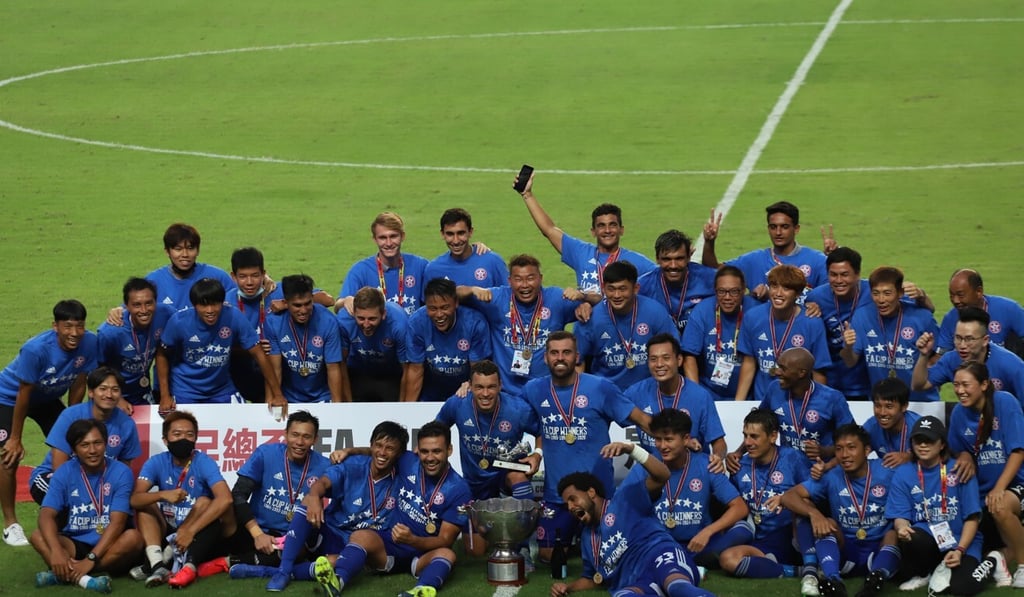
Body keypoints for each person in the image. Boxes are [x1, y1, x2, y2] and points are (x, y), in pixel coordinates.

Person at [520, 331, 652, 563]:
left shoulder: (601, 387)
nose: (560, 358)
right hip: (557, 496)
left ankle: (584, 539)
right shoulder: (533, 390)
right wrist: (468, 388)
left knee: (612, 556)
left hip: (597, 496)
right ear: (545, 358)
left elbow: (641, 419)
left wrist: (679, 438)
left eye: (566, 352)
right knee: (548, 556)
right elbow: (509, 410)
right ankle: (577, 540)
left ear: (577, 356)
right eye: (554, 353)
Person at [234, 421, 408, 591]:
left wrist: (350, 450)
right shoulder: (353, 465)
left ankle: (269, 571)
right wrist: (315, 495)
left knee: (334, 562)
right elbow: (323, 482)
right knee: (309, 500)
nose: (383, 452)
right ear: (371, 446)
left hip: (363, 543)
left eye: (390, 449)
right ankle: (283, 571)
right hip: (331, 532)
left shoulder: (406, 472)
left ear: (400, 454)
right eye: (378, 446)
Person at [313, 421, 472, 597]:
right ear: (417, 450)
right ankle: (337, 582)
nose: (430, 458)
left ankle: (420, 590)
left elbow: (445, 539)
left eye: (437, 451)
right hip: (390, 546)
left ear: (449, 450)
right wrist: (350, 451)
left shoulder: (459, 490)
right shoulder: (408, 461)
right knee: (361, 535)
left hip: (423, 553)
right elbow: (380, 454)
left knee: (448, 554)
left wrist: (413, 540)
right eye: (425, 451)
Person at [551, 441, 713, 597]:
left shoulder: (625, 499)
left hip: (661, 556)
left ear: (591, 493)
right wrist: (567, 587)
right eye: (567, 505)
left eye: (573, 499)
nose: (571, 507)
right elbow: (591, 578)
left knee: (676, 587)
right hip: (636, 581)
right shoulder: (587, 538)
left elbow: (662, 475)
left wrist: (632, 450)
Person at [0, 299, 99, 546]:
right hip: (9, 398)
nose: (74, 333)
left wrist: (75, 419)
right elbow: (24, 394)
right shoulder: (36, 349)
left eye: (79, 326)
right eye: (67, 326)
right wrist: (15, 438)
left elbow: (79, 381)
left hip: (47, 398)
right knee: (8, 456)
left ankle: (74, 510)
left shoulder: (90, 342)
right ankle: (11, 524)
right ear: (55, 326)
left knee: (77, 445)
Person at [191, 411, 331, 582]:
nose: (300, 442)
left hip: (289, 540)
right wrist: (257, 534)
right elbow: (239, 494)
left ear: (315, 439)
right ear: (285, 434)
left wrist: (348, 452)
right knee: (221, 510)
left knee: (296, 550)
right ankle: (189, 563)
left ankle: (228, 562)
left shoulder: (324, 466)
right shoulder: (266, 454)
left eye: (306, 437)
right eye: (295, 435)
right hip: (254, 531)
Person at [779, 424, 900, 597]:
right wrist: (815, 514)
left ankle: (875, 581)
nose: (844, 455)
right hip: (845, 553)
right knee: (827, 524)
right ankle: (833, 581)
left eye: (851, 448)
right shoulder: (832, 476)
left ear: (867, 450)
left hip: (878, 550)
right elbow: (789, 496)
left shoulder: (887, 471)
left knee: (892, 534)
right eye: (839, 449)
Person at [434, 360, 541, 555]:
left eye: (491, 387)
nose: (485, 394)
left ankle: (523, 547)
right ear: (470, 386)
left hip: (504, 476)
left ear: (500, 385)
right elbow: (437, 428)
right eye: (479, 387)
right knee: (476, 552)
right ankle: (496, 529)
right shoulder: (457, 403)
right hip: (473, 482)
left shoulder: (518, 409)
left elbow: (541, 432)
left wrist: (537, 454)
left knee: (519, 479)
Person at [885, 415, 994, 595]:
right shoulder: (903, 473)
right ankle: (924, 572)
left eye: (929, 440)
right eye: (918, 440)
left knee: (963, 588)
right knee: (913, 537)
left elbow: (972, 517)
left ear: (942, 444)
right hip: (928, 537)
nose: (923, 445)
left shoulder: (960, 469)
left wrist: (960, 550)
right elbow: (900, 515)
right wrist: (902, 527)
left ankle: (993, 560)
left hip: (962, 540)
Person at [31, 419, 142, 593]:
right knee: (38, 536)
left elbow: (118, 522)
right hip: (74, 541)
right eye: (84, 445)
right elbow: (46, 514)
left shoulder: (121, 472)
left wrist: (90, 559)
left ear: (105, 444)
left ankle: (67, 574)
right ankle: (85, 579)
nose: (92, 450)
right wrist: (56, 551)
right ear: (74, 450)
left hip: (110, 543)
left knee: (133, 539)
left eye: (97, 443)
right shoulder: (64, 472)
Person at [155, 277, 288, 415]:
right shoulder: (179, 322)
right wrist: (165, 395)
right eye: (204, 305)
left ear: (222, 303)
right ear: (194, 305)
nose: (210, 310)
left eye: (215, 304)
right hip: (186, 389)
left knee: (243, 422)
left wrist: (277, 394)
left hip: (221, 389)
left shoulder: (233, 316)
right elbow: (161, 354)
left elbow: (259, 353)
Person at [130, 410, 233, 589]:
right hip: (166, 527)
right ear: (165, 440)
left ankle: (164, 560)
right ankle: (158, 565)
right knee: (147, 504)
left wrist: (190, 531)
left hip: (194, 528)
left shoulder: (204, 461)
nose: (183, 439)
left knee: (204, 502)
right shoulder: (156, 462)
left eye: (189, 435)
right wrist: (162, 494)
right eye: (177, 434)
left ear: (195, 439)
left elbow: (226, 499)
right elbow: (135, 499)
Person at [457, 254, 584, 396]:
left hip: (547, 392)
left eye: (530, 278)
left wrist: (584, 301)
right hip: (505, 393)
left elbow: (600, 303)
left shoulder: (556, 299)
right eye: (518, 279)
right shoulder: (497, 299)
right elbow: (452, 295)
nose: (524, 285)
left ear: (540, 279)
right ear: (509, 281)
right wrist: (471, 289)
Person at [947, 361, 1024, 588]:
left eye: (965, 384)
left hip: (1016, 484)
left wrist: (1000, 487)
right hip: (981, 491)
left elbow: (1018, 451)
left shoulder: (1005, 402)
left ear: (983, 384)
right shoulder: (959, 414)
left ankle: (1022, 566)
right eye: (956, 385)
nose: (960, 390)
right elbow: (955, 449)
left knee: (999, 506)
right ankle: (999, 558)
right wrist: (964, 455)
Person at [516, 171, 656, 294]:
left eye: (612, 225)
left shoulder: (638, 261)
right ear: (593, 231)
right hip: (587, 323)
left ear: (621, 230)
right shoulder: (581, 253)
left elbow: (663, 277)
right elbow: (549, 229)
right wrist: (527, 195)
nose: (607, 230)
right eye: (601, 226)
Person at [650, 409, 750, 568]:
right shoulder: (648, 466)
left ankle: (686, 564)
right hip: (661, 546)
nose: (662, 446)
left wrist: (707, 532)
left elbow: (740, 507)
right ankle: (691, 566)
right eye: (658, 439)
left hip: (698, 544)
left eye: (668, 439)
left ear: (686, 439)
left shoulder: (706, 464)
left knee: (742, 530)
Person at [29, 367, 142, 506]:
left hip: (98, 483)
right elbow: (59, 465)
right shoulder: (71, 416)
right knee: (60, 501)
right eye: (103, 388)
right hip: (56, 477)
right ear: (91, 392)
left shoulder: (126, 424)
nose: (109, 394)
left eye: (115, 389)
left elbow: (124, 468)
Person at [720, 409, 808, 580]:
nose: (748, 442)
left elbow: (813, 496)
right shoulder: (740, 466)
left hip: (793, 536)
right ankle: (792, 571)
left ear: (773, 436)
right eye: (745, 436)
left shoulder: (793, 459)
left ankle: (798, 562)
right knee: (727, 559)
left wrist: (787, 500)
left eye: (754, 436)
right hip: (761, 539)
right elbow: (732, 504)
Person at [625, 334, 727, 466]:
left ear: (679, 360)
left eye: (666, 358)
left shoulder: (700, 396)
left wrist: (718, 457)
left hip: (691, 473)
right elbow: (611, 408)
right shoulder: (636, 393)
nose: (659, 364)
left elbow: (719, 442)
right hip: (652, 473)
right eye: (653, 359)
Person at [840, 266, 939, 402]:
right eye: (876, 293)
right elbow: (850, 362)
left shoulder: (922, 317)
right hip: (882, 404)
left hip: (921, 402)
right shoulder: (862, 316)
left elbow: (938, 359)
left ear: (900, 293)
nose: (881, 300)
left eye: (887, 293)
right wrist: (848, 347)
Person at [734, 265, 831, 401]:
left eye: (786, 288)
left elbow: (818, 370)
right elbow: (749, 362)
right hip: (763, 401)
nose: (778, 293)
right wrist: (738, 403)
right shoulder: (753, 317)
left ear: (797, 294)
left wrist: (818, 406)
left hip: (799, 404)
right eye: (774, 287)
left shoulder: (812, 323)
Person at [576, 260, 678, 390]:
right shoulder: (591, 319)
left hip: (649, 392)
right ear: (603, 288)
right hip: (607, 394)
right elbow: (577, 361)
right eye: (611, 289)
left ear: (636, 288)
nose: (617, 295)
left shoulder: (655, 312)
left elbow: (674, 352)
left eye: (622, 289)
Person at [701, 202, 830, 302]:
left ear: (796, 229)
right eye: (773, 227)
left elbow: (831, 295)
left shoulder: (817, 260)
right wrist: (709, 242)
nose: (778, 232)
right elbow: (713, 269)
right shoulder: (754, 260)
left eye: (784, 227)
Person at [756, 347, 854, 469]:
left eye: (783, 368)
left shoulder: (832, 398)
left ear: (802, 373)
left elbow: (853, 440)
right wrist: (738, 453)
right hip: (787, 469)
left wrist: (826, 452)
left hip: (819, 469)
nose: (777, 372)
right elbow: (758, 426)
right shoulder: (774, 389)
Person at [913, 306, 1024, 407]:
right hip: (968, 421)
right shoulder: (951, 360)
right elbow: (919, 385)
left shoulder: (1012, 365)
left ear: (985, 340)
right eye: (958, 338)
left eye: (969, 339)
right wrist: (924, 355)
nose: (962, 345)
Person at [403, 278, 491, 402]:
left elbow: (478, 370)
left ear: (456, 303)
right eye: (433, 308)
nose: (439, 315)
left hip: (464, 392)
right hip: (431, 392)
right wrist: (408, 409)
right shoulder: (417, 323)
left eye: (444, 307)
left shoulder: (475, 323)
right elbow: (416, 370)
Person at [804, 247, 873, 400]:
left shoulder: (874, 292)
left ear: (857, 274)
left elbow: (902, 302)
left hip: (868, 382)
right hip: (832, 381)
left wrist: (922, 297)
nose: (839, 281)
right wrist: (806, 310)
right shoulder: (816, 297)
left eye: (845, 275)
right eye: (833, 275)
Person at [681, 266, 759, 399]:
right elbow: (689, 357)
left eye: (734, 292)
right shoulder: (702, 311)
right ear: (715, 291)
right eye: (722, 291)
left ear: (743, 291)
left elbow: (750, 360)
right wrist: (698, 398)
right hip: (709, 392)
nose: (727, 297)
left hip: (747, 396)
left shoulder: (756, 311)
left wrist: (737, 405)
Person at [265, 274, 345, 403]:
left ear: (313, 299)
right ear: (285, 303)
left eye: (307, 303)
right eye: (297, 305)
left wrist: (336, 407)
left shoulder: (328, 322)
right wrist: (272, 400)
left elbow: (333, 368)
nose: (303, 310)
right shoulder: (273, 323)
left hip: (322, 397)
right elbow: (275, 369)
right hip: (289, 398)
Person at [97, 277, 174, 406]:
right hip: (113, 396)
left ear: (156, 302)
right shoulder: (110, 333)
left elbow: (187, 318)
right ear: (126, 306)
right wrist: (117, 399)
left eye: (149, 303)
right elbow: (97, 371)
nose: (144, 310)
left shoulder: (165, 314)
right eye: (137, 305)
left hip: (143, 394)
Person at [339, 212, 429, 316]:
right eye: (382, 238)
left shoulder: (420, 266)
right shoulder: (360, 270)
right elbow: (338, 307)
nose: (389, 243)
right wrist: (346, 300)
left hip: (413, 331)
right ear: (375, 239)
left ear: (403, 236)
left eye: (393, 236)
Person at [335, 287, 410, 402]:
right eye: (360, 318)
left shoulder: (398, 324)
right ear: (353, 313)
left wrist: (402, 407)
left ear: (383, 314)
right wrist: (348, 405)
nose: (366, 324)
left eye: (372, 319)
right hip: (357, 372)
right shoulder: (344, 321)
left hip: (391, 375)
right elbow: (341, 364)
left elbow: (407, 369)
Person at [228, 247, 283, 404]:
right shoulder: (225, 303)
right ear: (233, 276)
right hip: (238, 374)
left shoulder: (277, 293)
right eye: (243, 277)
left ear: (264, 274)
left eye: (255, 276)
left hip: (277, 373)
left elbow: (327, 300)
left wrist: (287, 303)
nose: (250, 282)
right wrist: (251, 348)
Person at [637, 229, 717, 334]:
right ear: (657, 259)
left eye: (679, 259)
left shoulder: (710, 279)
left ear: (689, 257)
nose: (673, 266)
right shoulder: (643, 286)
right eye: (667, 259)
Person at [145, 223, 235, 312]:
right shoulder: (153, 282)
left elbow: (236, 308)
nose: (185, 254)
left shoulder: (218, 278)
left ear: (198, 250)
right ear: (167, 251)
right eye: (178, 249)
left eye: (190, 248)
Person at [935, 269, 1024, 356]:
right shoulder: (950, 319)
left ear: (979, 292)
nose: (955, 300)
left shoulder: (1009, 309)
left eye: (960, 295)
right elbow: (941, 357)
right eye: (952, 295)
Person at [423, 208, 508, 287]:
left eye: (461, 233)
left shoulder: (493, 262)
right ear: (442, 234)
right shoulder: (434, 269)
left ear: (470, 232)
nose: (456, 241)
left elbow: (510, 296)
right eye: (450, 234)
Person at [861, 378, 919, 469]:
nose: (882, 413)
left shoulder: (918, 426)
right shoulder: (871, 426)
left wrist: (910, 456)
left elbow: (937, 457)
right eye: (877, 406)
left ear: (904, 406)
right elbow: (855, 449)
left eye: (889, 406)